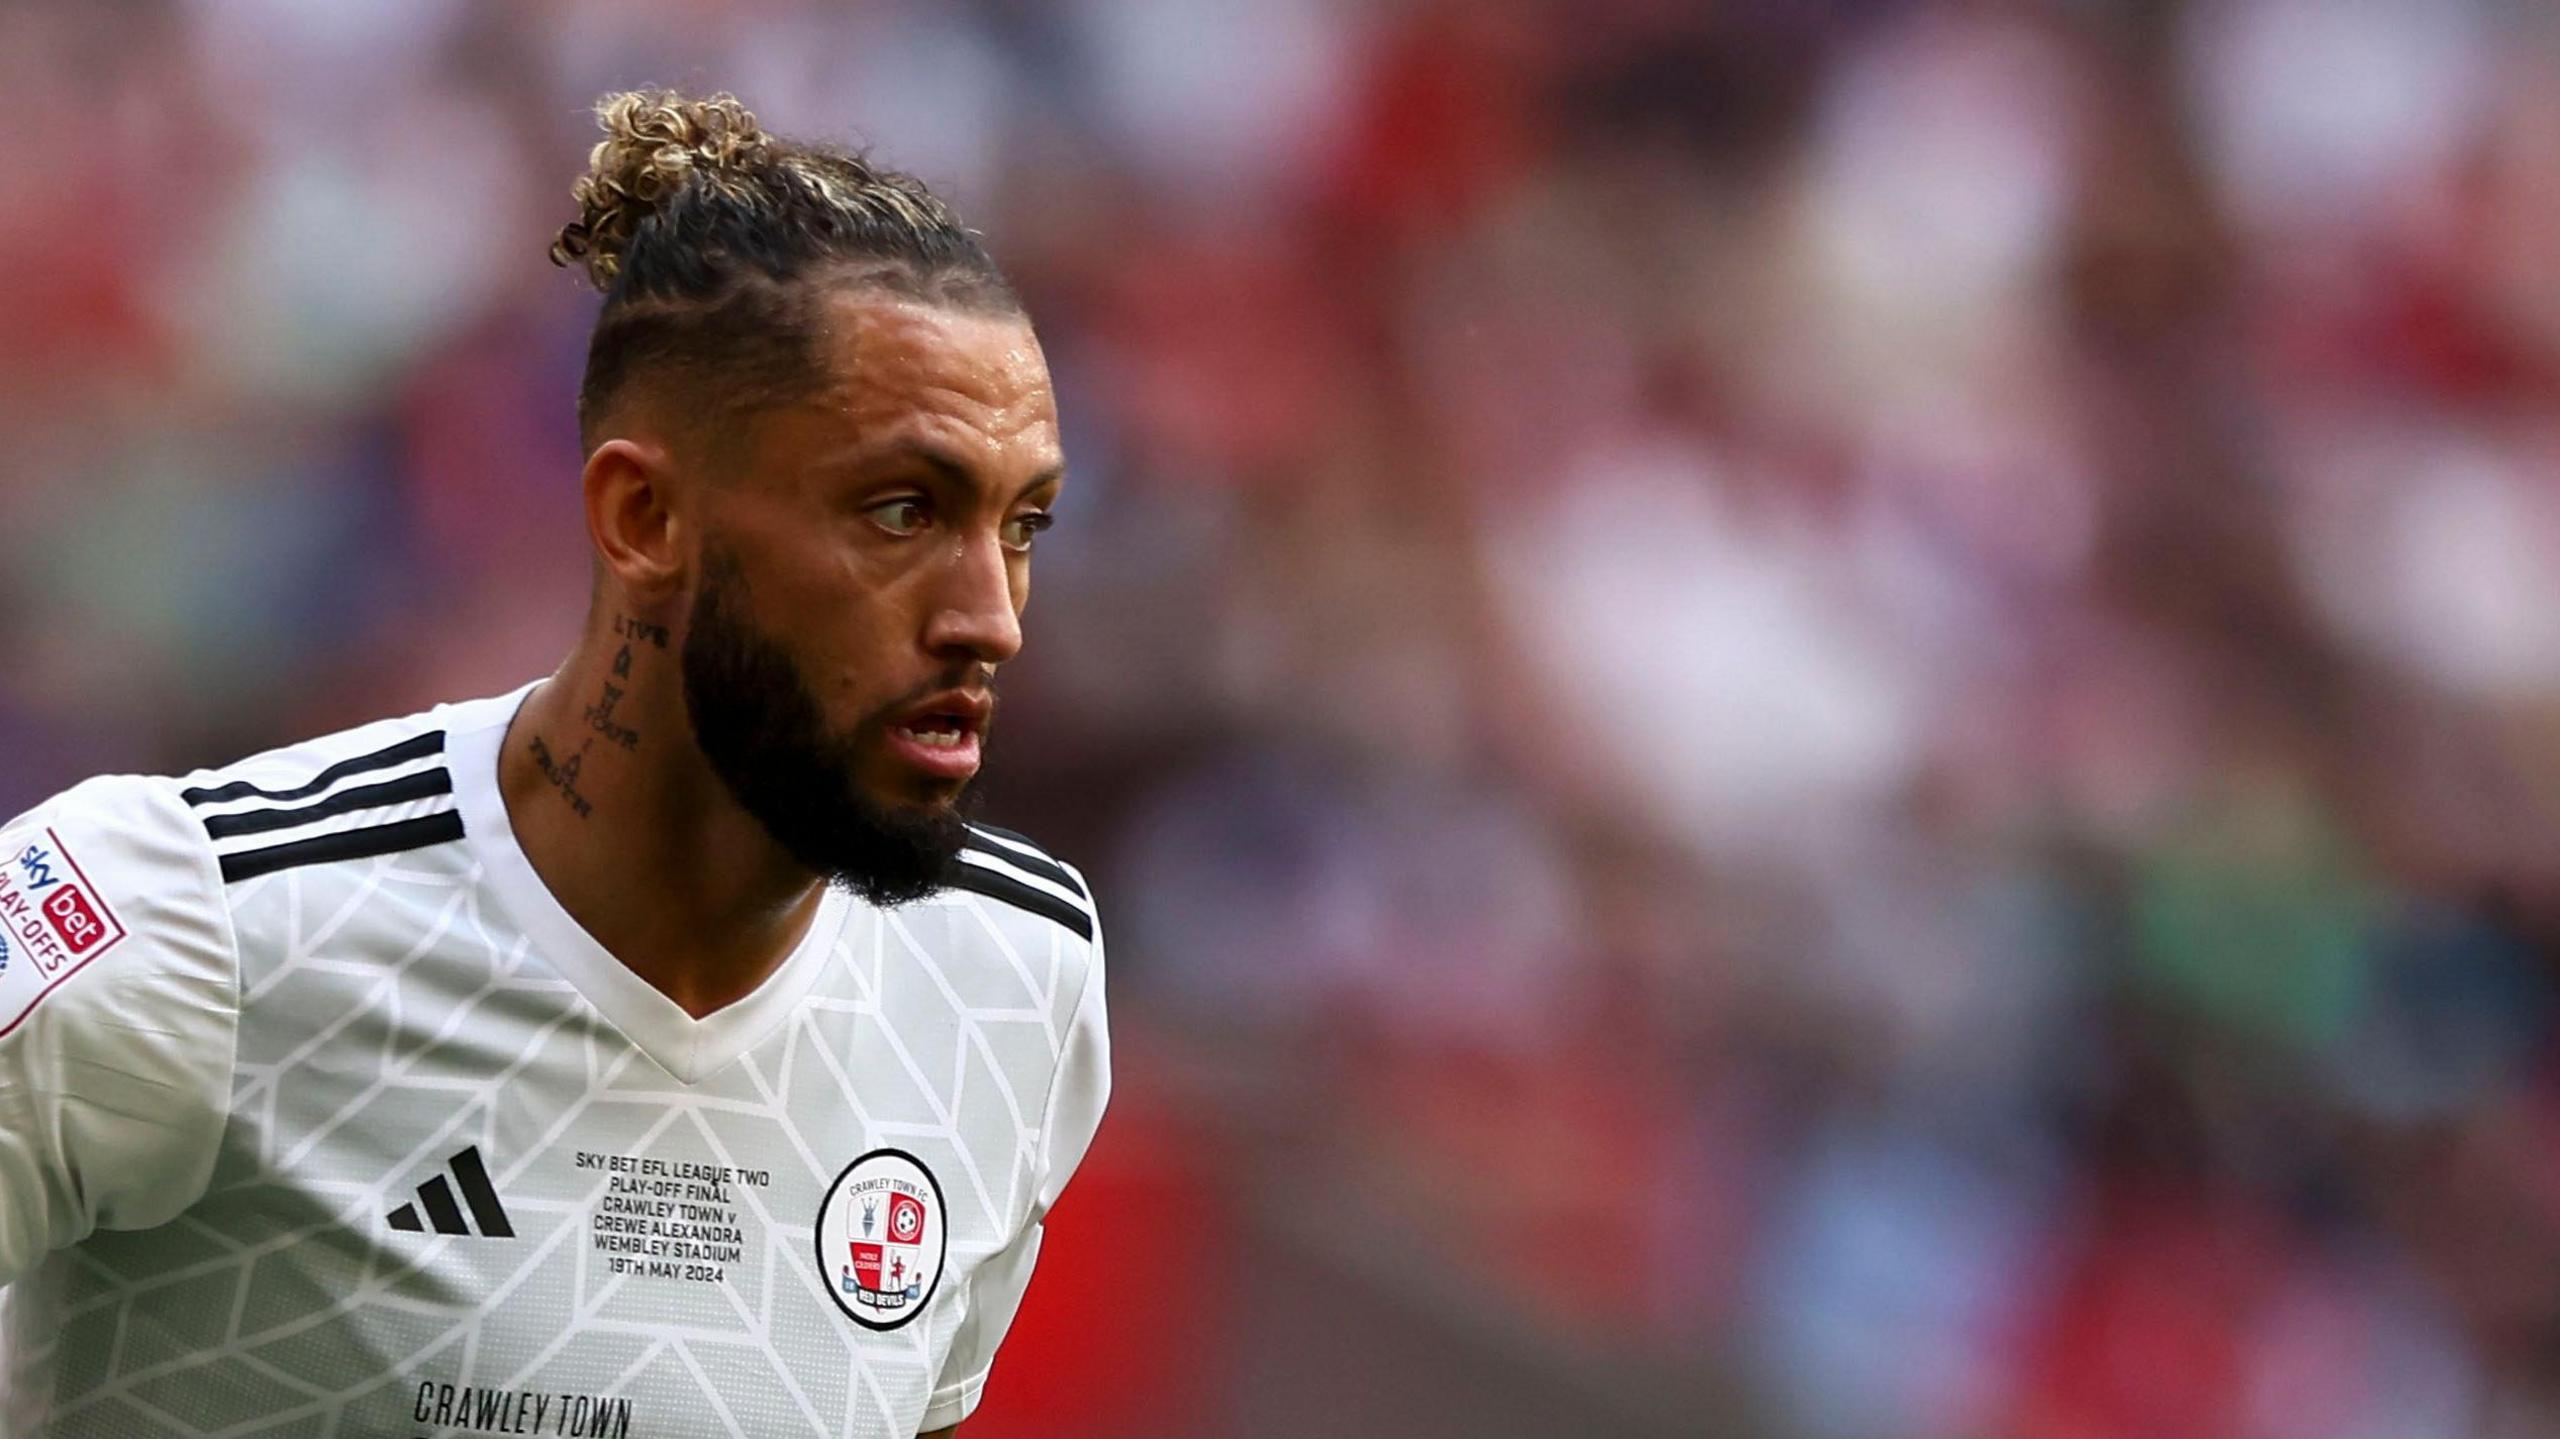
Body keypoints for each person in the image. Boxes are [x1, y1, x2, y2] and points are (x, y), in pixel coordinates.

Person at [0, 89, 1107, 1439]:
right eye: (900, 511)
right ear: (643, 518)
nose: (989, 614)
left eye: (1024, 524)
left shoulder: (1017, 977)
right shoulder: (178, 931)